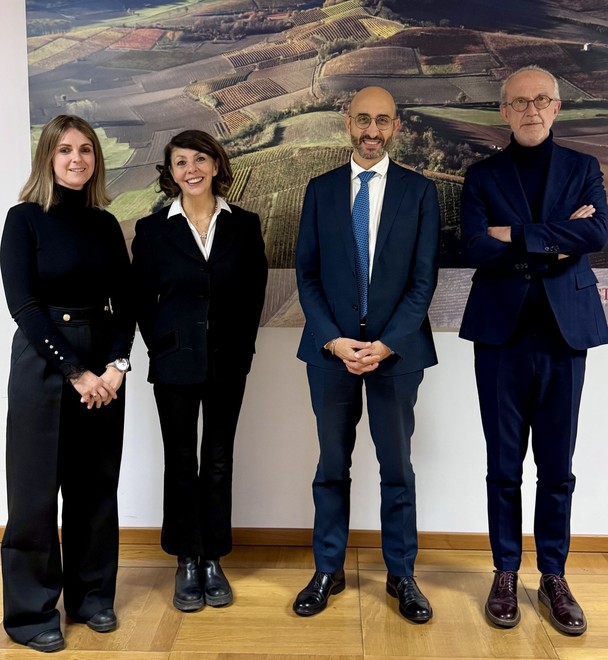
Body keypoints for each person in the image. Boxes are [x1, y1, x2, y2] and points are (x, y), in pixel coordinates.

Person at [459, 65, 608, 635]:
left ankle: (553, 574)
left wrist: (514, 235)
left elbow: (597, 235)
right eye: (520, 101)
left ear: (556, 107)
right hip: (501, 335)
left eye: (542, 100)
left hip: (566, 334)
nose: (531, 110)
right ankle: (504, 571)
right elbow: (474, 245)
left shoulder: (583, 168)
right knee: (503, 467)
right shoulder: (481, 175)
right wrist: (553, 236)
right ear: (504, 111)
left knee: (558, 468)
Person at [293, 86, 440, 621]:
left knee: (396, 467)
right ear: (346, 122)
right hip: (329, 353)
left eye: (382, 121)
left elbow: (424, 281)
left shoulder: (420, 192)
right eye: (362, 120)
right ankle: (327, 570)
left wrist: (385, 343)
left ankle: (402, 574)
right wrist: (334, 339)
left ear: (396, 126)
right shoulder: (320, 190)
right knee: (332, 465)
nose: (371, 130)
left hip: (395, 355)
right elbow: (306, 274)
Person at [0, 115, 135, 652]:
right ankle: (32, 613)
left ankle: (92, 597)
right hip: (42, 364)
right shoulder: (24, 220)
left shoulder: (105, 224)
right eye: (65, 150)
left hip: (101, 363)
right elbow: (24, 307)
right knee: (34, 494)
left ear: (95, 159)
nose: (77, 158)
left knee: (95, 488)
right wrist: (76, 373)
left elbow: (125, 302)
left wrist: (115, 368)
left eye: (85, 150)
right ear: (48, 158)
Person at [131, 130, 267, 613]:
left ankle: (213, 557)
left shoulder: (245, 225)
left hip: (229, 362)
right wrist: (161, 348)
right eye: (180, 162)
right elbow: (141, 302)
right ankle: (186, 558)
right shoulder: (152, 231)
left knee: (218, 460)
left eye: (199, 159)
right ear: (170, 172)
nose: (191, 169)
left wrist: (244, 351)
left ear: (215, 164)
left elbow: (254, 295)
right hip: (174, 364)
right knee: (181, 460)